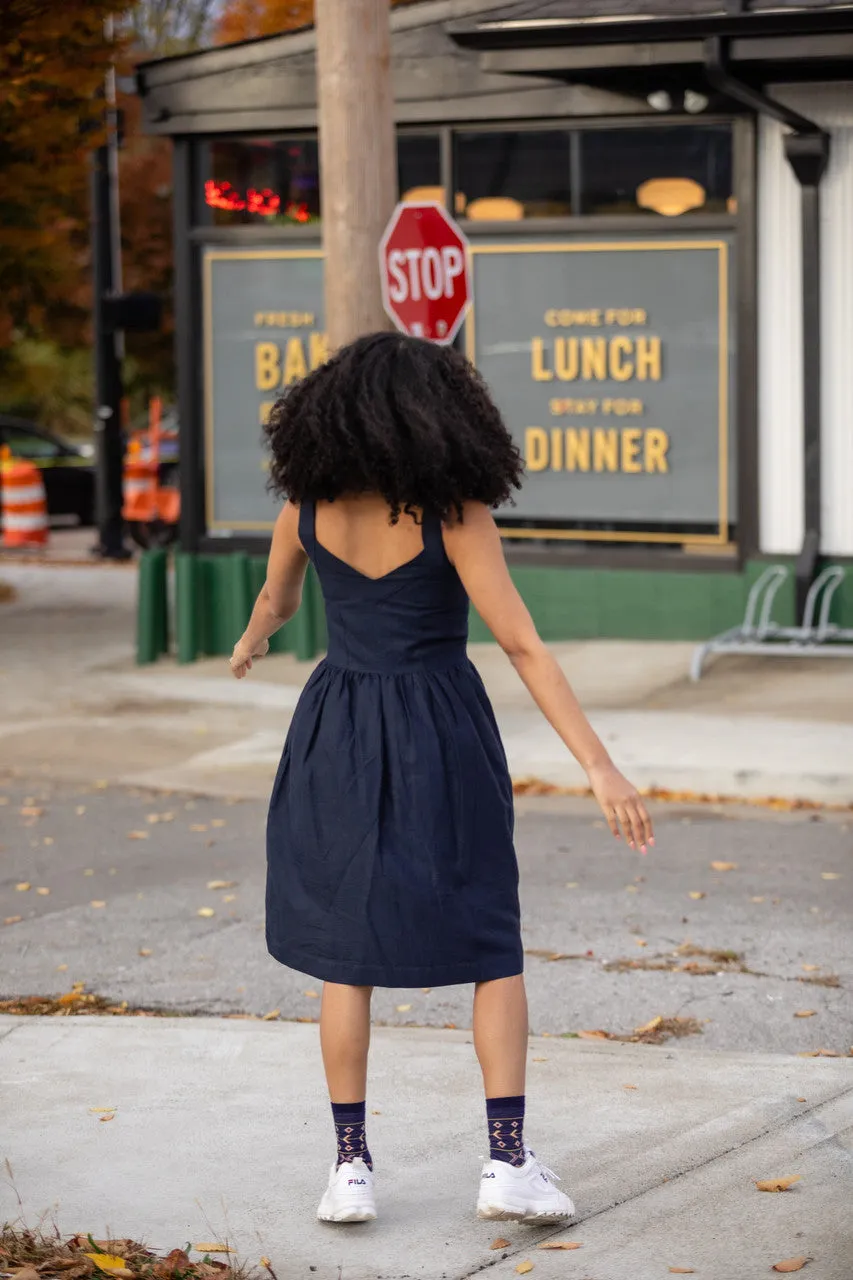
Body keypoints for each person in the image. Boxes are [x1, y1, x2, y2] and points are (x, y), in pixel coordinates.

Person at [230, 332, 654, 1226]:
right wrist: (599, 764)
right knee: (489, 939)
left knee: (344, 955)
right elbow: (521, 645)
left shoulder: (304, 508)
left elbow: (277, 599)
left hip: (335, 727)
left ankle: (350, 1168)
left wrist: (255, 637)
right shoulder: (454, 514)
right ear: (438, 418)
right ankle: (506, 1164)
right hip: (438, 731)